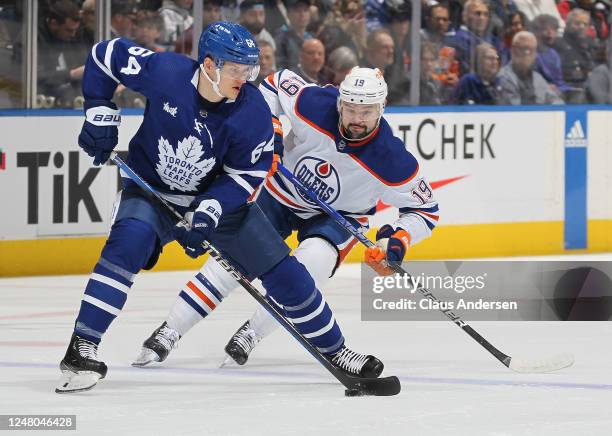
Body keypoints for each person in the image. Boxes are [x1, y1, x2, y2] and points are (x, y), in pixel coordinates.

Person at [56, 22, 382, 393]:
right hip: (152, 193)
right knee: (127, 246)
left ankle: (337, 351)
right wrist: (99, 109)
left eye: (249, 70)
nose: (244, 78)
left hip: (219, 204)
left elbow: (247, 175)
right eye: (236, 70)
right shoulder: (165, 73)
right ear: (209, 65)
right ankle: (81, 348)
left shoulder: (253, 111)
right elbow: (105, 56)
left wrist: (211, 208)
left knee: (287, 274)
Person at [132, 66, 438, 368]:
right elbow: (275, 84)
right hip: (280, 194)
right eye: (350, 109)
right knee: (228, 263)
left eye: (367, 112)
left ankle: (252, 332)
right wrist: (273, 129)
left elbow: (426, 211)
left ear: (381, 109)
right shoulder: (315, 105)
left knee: (308, 267)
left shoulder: (392, 159)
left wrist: (396, 241)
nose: (357, 119)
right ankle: (170, 329)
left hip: (338, 218)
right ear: (339, 102)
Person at [496, 30, 563, 105]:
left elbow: (556, 102)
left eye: (531, 49)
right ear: (513, 50)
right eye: (523, 48)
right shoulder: (502, 77)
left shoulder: (538, 78)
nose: (527, 53)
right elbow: (513, 109)